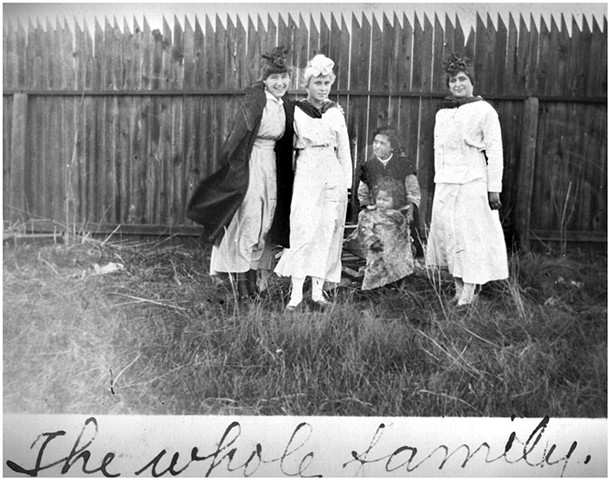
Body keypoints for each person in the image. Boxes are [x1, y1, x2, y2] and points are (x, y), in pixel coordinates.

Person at [186, 46, 295, 299]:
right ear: (265, 81)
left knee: (264, 222)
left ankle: (250, 278)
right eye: (274, 78)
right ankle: (241, 284)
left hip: (270, 165)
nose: (280, 83)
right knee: (249, 219)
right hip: (251, 161)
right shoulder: (257, 101)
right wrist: (237, 169)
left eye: (283, 77)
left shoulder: (284, 105)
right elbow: (236, 138)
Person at [425, 53, 509, 306]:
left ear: (472, 81)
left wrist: (494, 189)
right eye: (452, 81)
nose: (457, 85)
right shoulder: (443, 114)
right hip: (446, 183)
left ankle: (470, 291)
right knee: (450, 235)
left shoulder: (485, 111)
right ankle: (458, 287)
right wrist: (439, 184)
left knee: (470, 236)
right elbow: (438, 151)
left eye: (462, 79)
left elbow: (495, 151)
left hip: (473, 181)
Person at [274, 54, 352, 310]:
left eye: (327, 83)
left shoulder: (335, 112)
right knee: (303, 227)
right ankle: (296, 292)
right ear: (307, 84)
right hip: (307, 170)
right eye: (318, 83)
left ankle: (318, 291)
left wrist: (347, 186)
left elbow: (344, 151)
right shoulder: (295, 110)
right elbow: (286, 149)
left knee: (326, 229)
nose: (323, 88)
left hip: (332, 170)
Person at [355, 126, 422, 256]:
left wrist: (410, 208)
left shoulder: (403, 163)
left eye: (382, 143)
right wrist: (368, 207)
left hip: (400, 210)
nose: (377, 146)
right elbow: (362, 192)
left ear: (392, 147)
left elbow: (413, 189)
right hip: (378, 209)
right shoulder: (368, 166)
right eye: (375, 142)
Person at [357, 177, 415, 290]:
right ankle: (374, 290)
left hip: (395, 248)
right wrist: (372, 241)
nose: (381, 203)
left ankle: (395, 285)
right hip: (380, 246)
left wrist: (408, 241)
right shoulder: (372, 214)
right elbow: (364, 229)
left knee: (400, 263)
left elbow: (403, 231)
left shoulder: (398, 215)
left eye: (385, 200)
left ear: (395, 200)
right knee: (377, 267)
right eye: (379, 199)